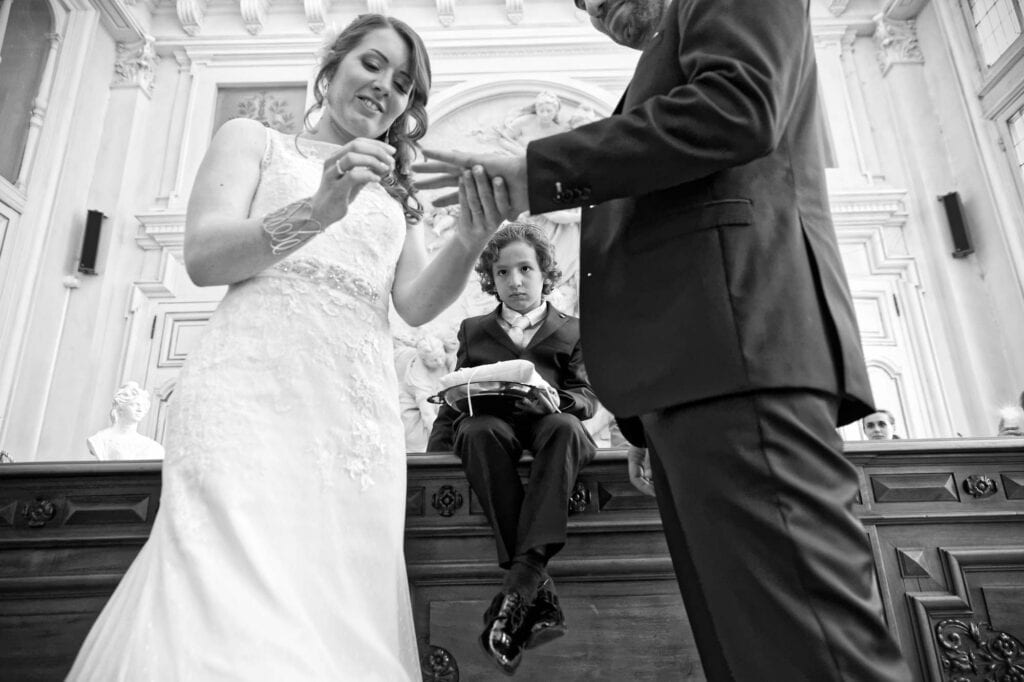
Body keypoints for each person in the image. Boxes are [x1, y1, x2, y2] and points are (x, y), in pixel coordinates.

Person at [416, 0, 911, 679]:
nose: (598, 10)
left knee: (813, 649)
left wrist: (534, 173)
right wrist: (647, 423)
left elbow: (739, 108)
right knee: (748, 653)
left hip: (741, 361)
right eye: (583, 6)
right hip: (695, 384)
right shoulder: (659, 67)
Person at [68, 14, 509, 681]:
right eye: (372, 64)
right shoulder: (254, 140)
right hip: (246, 396)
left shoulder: (396, 197)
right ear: (330, 67)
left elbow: (415, 304)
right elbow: (206, 258)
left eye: (403, 84)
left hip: (353, 422)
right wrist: (316, 211)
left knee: (333, 608)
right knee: (223, 591)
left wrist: (473, 235)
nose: (385, 88)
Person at [427, 223, 598, 675]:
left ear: (545, 273)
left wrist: (558, 398)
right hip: (493, 428)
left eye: (525, 269)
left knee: (565, 426)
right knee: (477, 429)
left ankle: (517, 589)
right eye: (503, 273)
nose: (515, 281)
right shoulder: (474, 329)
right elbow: (454, 398)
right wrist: (431, 460)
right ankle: (533, 593)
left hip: (550, 426)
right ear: (491, 279)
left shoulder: (574, 329)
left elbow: (585, 397)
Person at [86, 381, 166, 461]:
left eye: (143, 406)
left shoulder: (152, 446)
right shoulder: (100, 439)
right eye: (135, 404)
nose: (140, 409)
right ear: (120, 408)